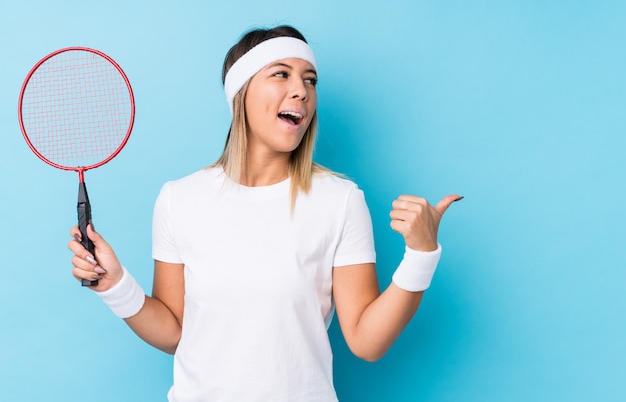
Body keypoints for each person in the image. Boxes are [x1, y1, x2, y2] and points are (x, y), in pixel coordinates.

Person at [68, 25, 462, 402]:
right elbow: (174, 331)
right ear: (241, 93)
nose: (302, 91)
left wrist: (422, 256)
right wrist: (115, 285)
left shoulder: (339, 200)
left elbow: (366, 341)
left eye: (310, 80)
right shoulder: (179, 199)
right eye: (281, 74)